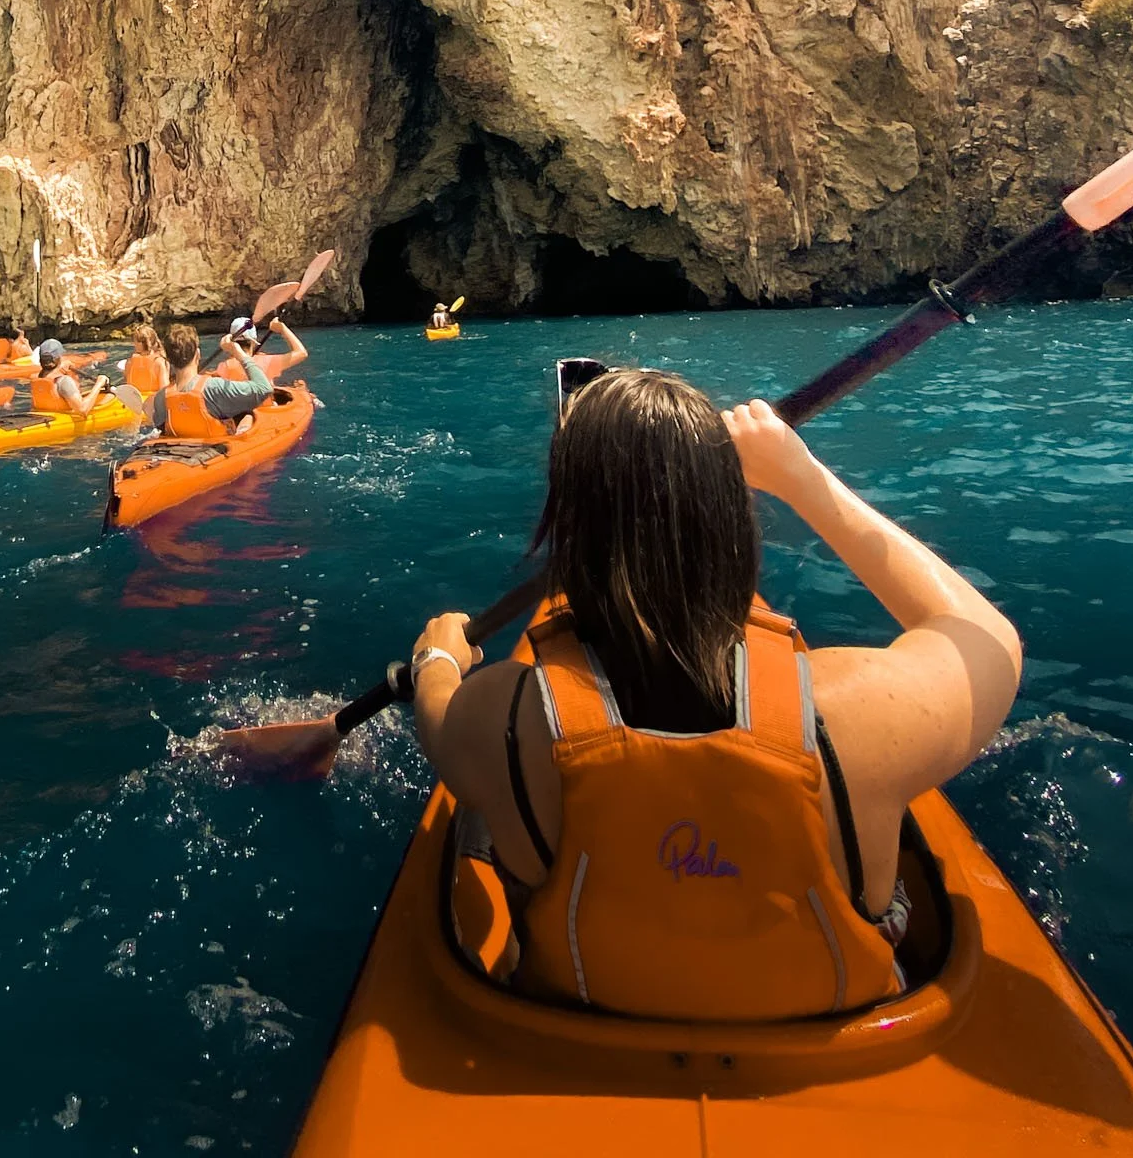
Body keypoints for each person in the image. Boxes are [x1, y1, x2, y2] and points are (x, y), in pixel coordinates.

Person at [407, 368, 1022, 1022]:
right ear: (731, 518)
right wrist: (800, 477)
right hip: (838, 1044)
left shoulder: (500, 720)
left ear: (570, 527)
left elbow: (436, 713)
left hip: (584, 1033)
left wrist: (437, 656)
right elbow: (986, 636)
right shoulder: (857, 713)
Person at [145, 323, 274, 441]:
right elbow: (264, 388)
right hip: (216, 450)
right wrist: (237, 352)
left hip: (180, 451)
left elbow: (160, 426)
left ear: (168, 359)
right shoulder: (214, 388)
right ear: (198, 354)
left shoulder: (161, 398)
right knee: (247, 414)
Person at [213, 314, 307, 385]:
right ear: (254, 342)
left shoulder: (224, 366)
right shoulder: (268, 362)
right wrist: (282, 328)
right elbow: (302, 353)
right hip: (265, 405)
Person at [29, 338, 111, 417]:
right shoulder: (64, 381)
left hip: (48, 416)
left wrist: (61, 369)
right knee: (109, 397)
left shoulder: (37, 378)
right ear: (59, 357)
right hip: (65, 420)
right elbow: (82, 410)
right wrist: (99, 384)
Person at [122, 322, 168, 401]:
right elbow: (164, 390)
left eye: (136, 341)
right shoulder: (159, 362)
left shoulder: (129, 362)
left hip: (133, 401)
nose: (134, 344)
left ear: (142, 343)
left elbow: (126, 386)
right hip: (152, 402)